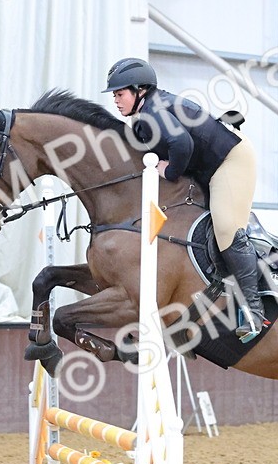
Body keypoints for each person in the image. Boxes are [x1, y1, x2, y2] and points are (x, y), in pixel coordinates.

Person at [103, 57, 267, 343]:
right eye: (115, 95)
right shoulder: (146, 112)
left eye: (120, 94)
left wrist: (169, 170)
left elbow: (181, 144)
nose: (115, 101)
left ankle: (253, 311)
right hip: (208, 164)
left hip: (231, 161)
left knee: (226, 227)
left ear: (140, 90)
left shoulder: (153, 112)